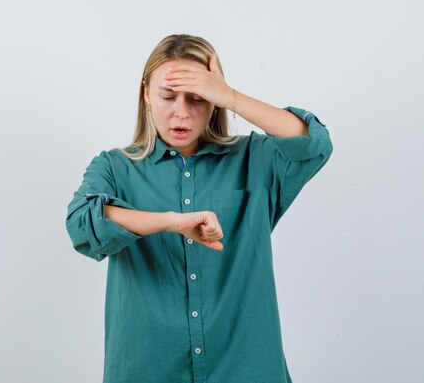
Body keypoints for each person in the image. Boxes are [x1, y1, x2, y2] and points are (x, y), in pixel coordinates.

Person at [65, 34, 333, 383]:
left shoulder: (254, 159)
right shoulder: (115, 167)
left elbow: (316, 145)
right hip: (146, 369)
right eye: (167, 95)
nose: (182, 112)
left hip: (245, 369)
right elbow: (82, 224)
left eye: (198, 99)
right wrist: (169, 222)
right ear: (146, 94)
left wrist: (230, 96)